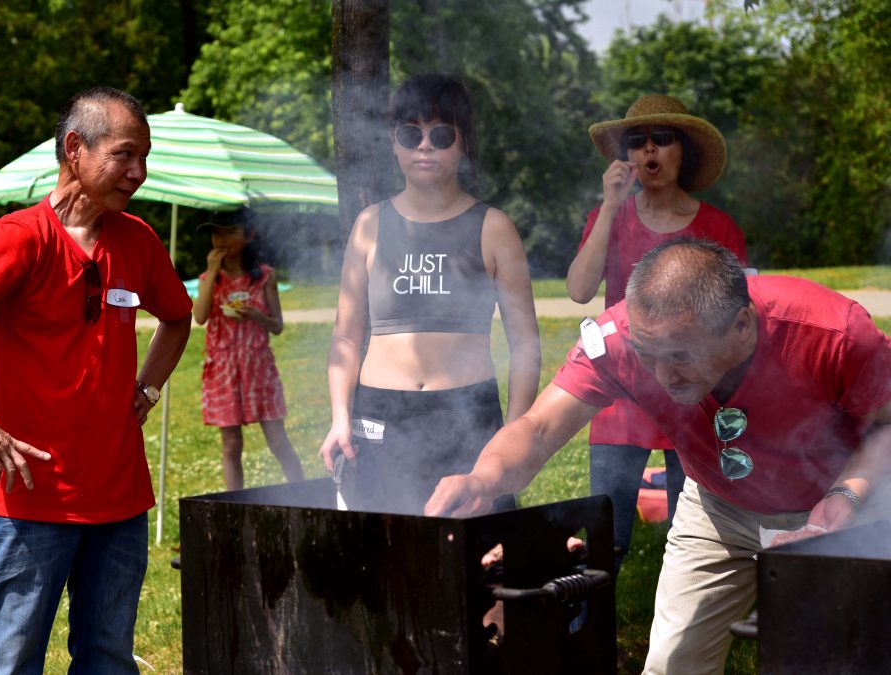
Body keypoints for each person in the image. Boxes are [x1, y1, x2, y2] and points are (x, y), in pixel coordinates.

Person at [426, 238, 891, 674]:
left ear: (741, 325)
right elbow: (540, 427)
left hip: (843, 505)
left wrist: (844, 500)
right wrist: (482, 479)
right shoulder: (622, 339)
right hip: (718, 511)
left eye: (681, 356)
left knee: (841, 659)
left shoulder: (833, 333)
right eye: (649, 354)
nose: (663, 375)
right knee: (673, 663)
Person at [0, 87, 193, 673]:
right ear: (76, 149)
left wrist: (147, 388)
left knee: (108, 658)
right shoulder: (19, 237)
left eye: (145, 157)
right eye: (126, 155)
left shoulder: (138, 239)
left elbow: (178, 318)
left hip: (120, 496)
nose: (139, 172)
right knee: (12, 659)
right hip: (31, 499)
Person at [319, 74, 541, 514]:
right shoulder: (369, 225)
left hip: (467, 420)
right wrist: (340, 417)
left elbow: (526, 344)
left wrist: (514, 434)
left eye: (441, 135)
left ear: (463, 144)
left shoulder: (494, 227)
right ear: (393, 142)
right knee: (383, 556)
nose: (425, 146)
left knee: (472, 560)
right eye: (411, 133)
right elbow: (346, 337)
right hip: (380, 419)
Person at [567, 94, 749, 571]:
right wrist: (608, 208)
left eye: (662, 139)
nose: (650, 150)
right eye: (637, 141)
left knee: (695, 537)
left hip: (692, 393)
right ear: (625, 157)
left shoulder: (717, 226)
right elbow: (579, 289)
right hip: (621, 388)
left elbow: (741, 317)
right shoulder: (610, 217)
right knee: (604, 534)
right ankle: (588, 628)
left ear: (682, 149)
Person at [192, 214, 304, 490]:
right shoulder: (209, 278)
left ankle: (303, 492)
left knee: (277, 440)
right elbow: (200, 316)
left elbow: (277, 326)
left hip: (258, 366)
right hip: (222, 369)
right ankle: (235, 504)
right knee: (231, 444)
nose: (221, 240)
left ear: (249, 235)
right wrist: (211, 270)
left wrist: (256, 315)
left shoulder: (265, 276)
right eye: (216, 234)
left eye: (230, 232)